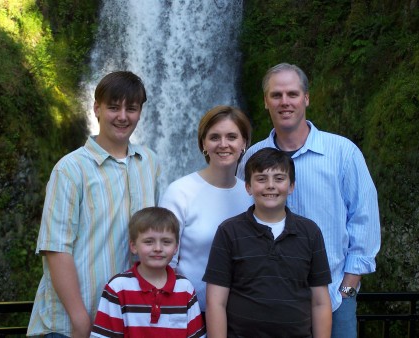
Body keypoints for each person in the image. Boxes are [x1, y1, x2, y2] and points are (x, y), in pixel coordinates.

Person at [236, 63, 381, 338]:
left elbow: (365, 220)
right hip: (270, 302)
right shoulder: (252, 157)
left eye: (292, 93)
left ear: (306, 98)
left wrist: (347, 289)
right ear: (266, 102)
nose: (285, 101)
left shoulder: (343, 153)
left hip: (334, 298)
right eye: (276, 95)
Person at [27, 71, 160, 338]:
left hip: (125, 322)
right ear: (97, 108)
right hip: (69, 325)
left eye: (131, 109)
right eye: (113, 107)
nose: (122, 116)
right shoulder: (70, 169)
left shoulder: (149, 162)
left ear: (140, 112)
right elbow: (55, 249)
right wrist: (81, 322)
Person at [204, 147, 332, 337]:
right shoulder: (229, 231)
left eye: (279, 179)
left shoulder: (310, 232)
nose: (270, 185)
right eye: (261, 179)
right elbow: (216, 302)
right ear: (248, 187)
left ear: (291, 186)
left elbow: (320, 302)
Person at [159, 105, 253, 316]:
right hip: (188, 313)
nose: (223, 144)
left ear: (244, 143)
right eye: (214, 137)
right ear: (203, 143)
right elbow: (164, 261)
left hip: (242, 316)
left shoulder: (251, 195)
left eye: (231, 136)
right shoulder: (180, 192)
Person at [91, 207, 206, 338]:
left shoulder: (185, 289)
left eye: (166, 242)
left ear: (176, 247)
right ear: (133, 246)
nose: (158, 248)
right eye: (149, 242)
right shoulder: (118, 287)